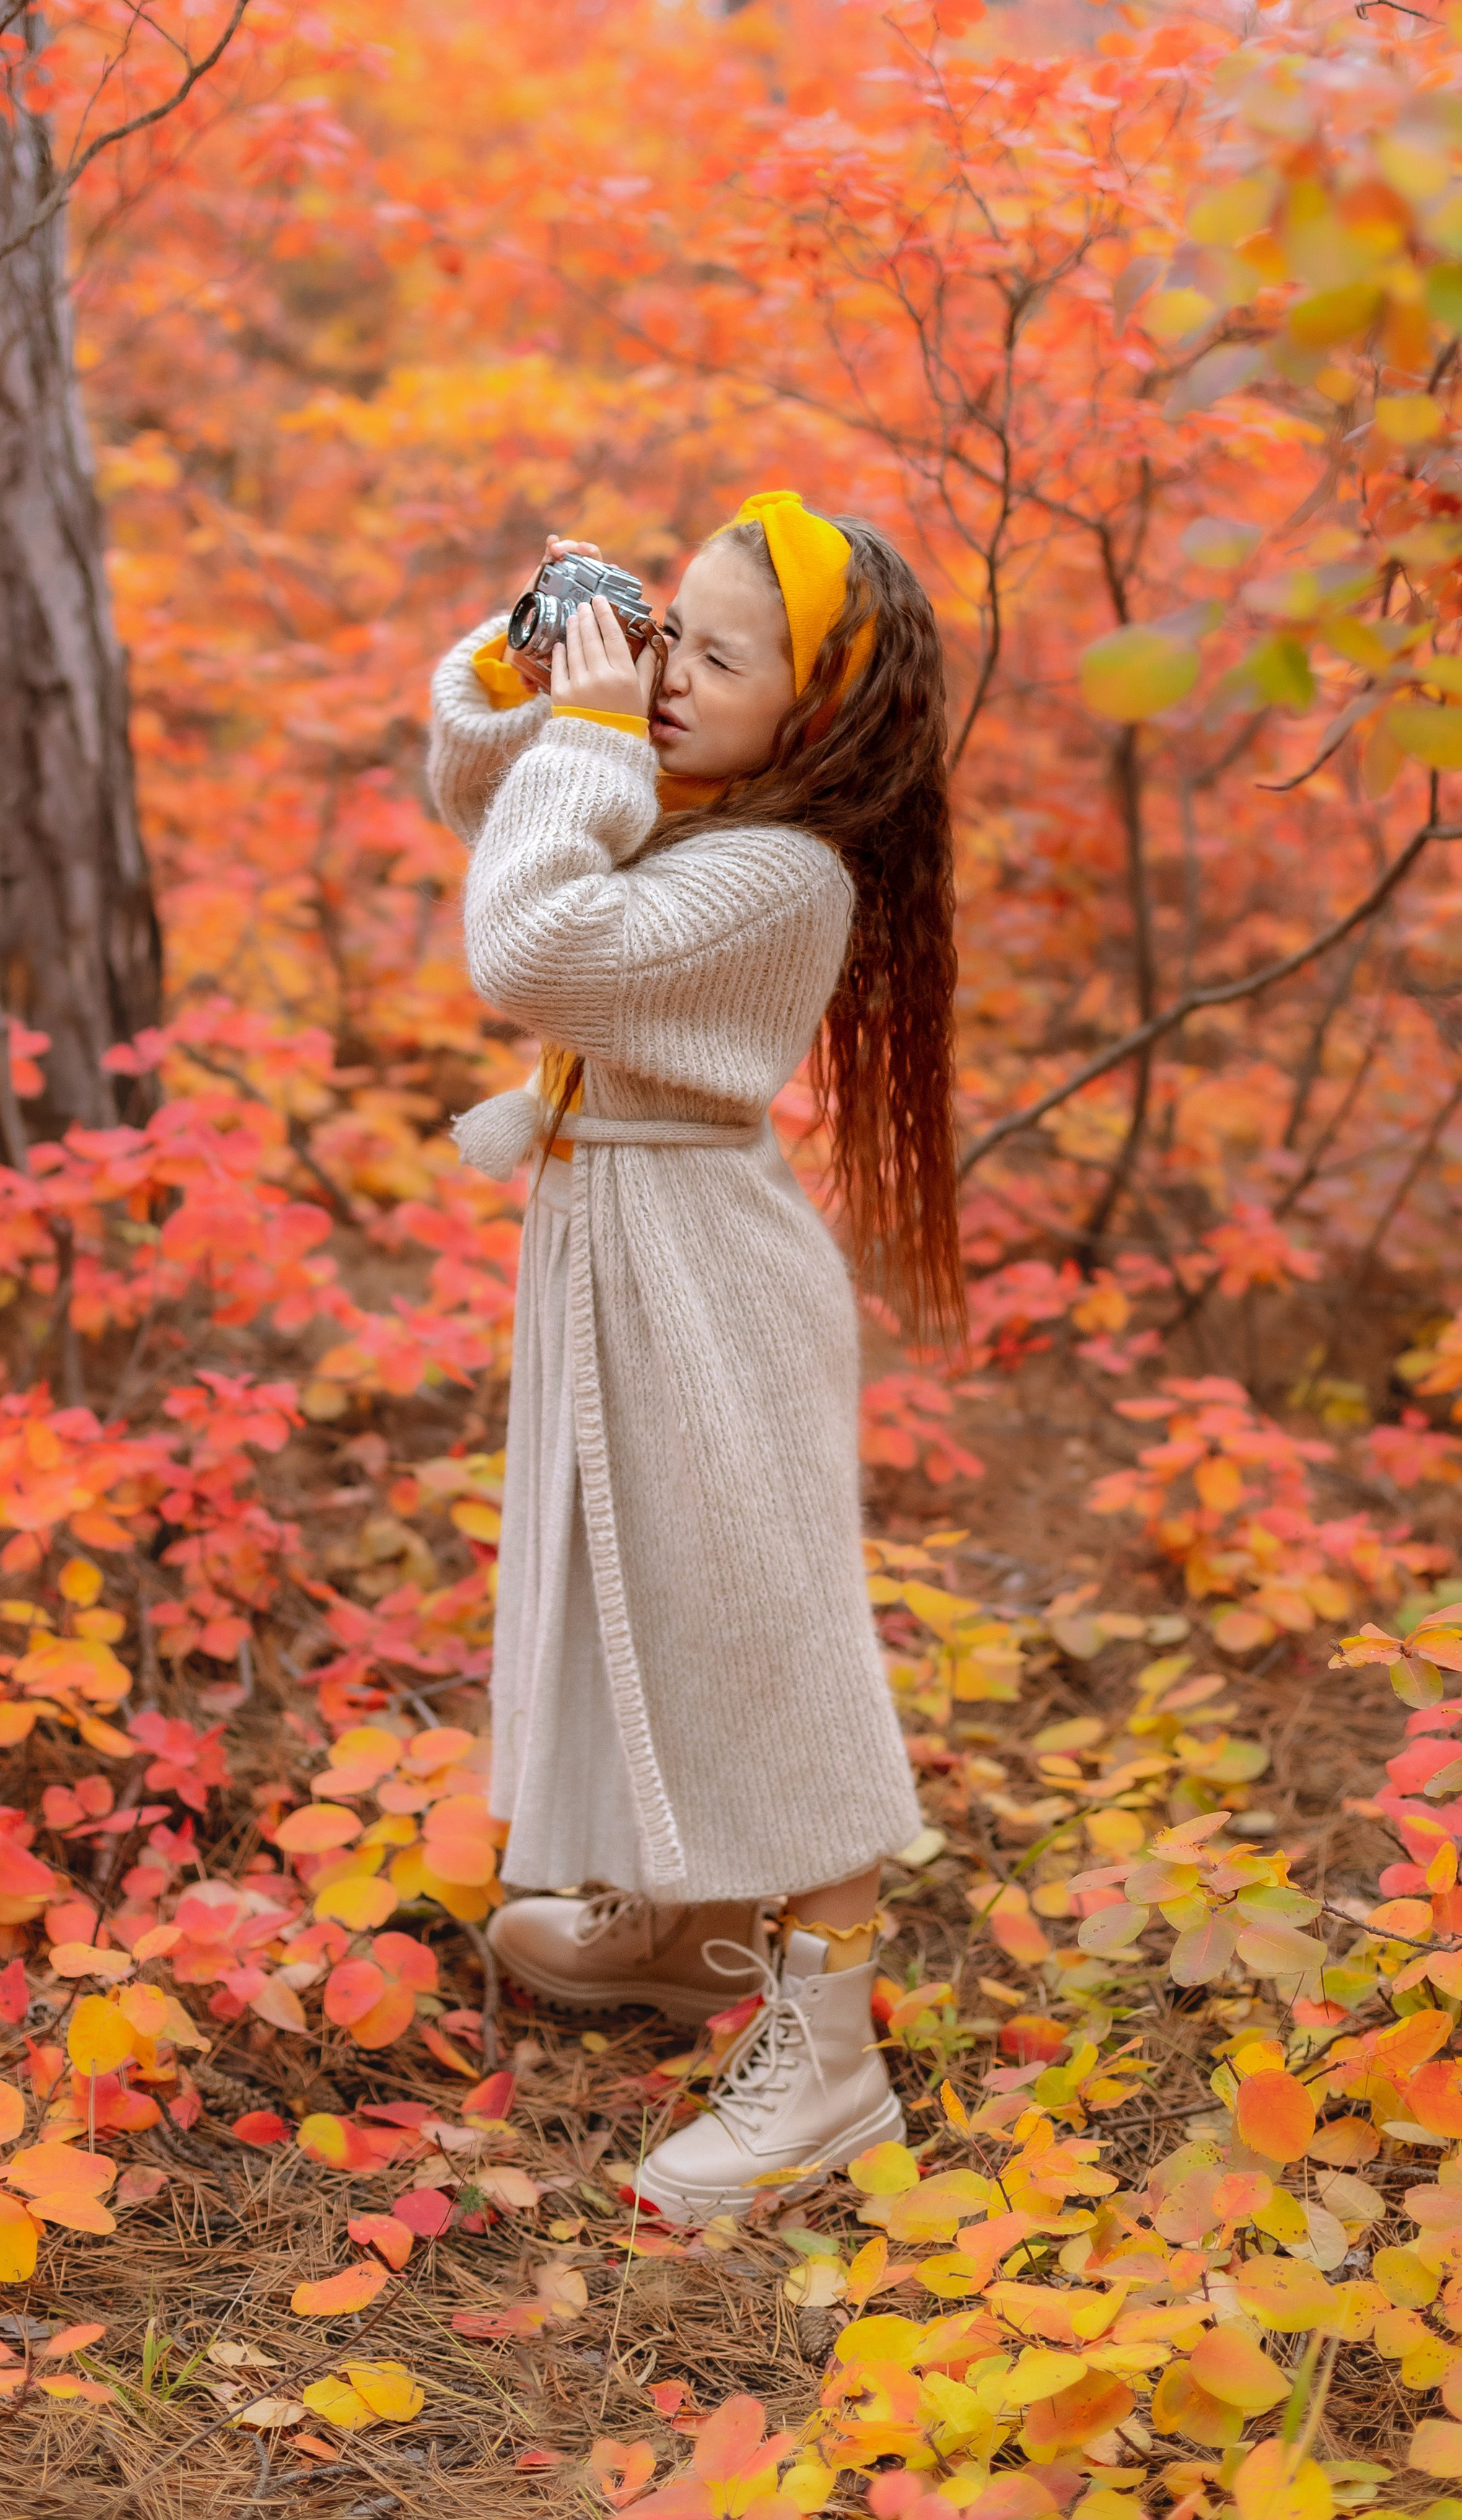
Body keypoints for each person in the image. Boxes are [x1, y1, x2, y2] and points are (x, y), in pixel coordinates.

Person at [426, 490, 963, 2221]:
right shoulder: (700, 795)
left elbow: (524, 944)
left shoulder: (772, 866)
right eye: (670, 630)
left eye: (713, 657)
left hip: (708, 1276)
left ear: (809, 717)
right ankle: (681, 1916)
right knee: (625, 1583)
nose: (666, 674)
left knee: (759, 1625)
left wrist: (587, 735)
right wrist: (531, 673)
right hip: (617, 1240)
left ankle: (824, 2068)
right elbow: (486, 805)